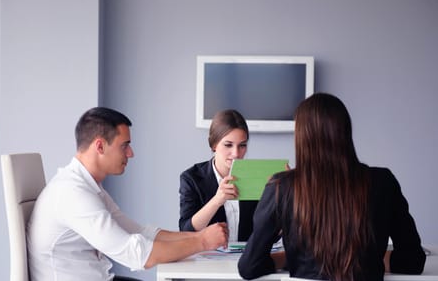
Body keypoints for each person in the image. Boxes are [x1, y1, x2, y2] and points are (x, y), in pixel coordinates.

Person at [238, 93, 426, 281]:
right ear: (345, 132)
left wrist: (286, 259)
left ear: (302, 137)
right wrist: (371, 259)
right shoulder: (383, 182)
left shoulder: (281, 186)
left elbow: (249, 267)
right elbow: (414, 261)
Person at [27, 107, 228, 281]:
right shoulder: (72, 194)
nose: (130, 153)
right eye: (125, 145)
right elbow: (137, 255)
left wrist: (200, 236)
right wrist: (202, 242)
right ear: (99, 146)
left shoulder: (88, 187)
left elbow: (140, 233)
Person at [179, 109, 258, 242]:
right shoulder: (191, 178)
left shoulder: (255, 177)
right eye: (228, 145)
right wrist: (217, 200)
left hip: (245, 260)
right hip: (207, 260)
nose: (236, 154)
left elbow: (268, 232)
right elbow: (186, 231)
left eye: (242, 145)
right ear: (214, 144)